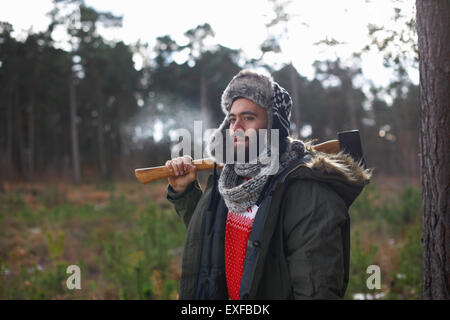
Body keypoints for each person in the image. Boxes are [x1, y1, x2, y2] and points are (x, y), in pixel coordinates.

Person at [165, 69, 372, 300]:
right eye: (232, 119)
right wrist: (184, 192)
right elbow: (211, 237)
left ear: (273, 126)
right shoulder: (229, 182)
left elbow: (316, 288)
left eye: (248, 117)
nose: (235, 128)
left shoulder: (307, 192)